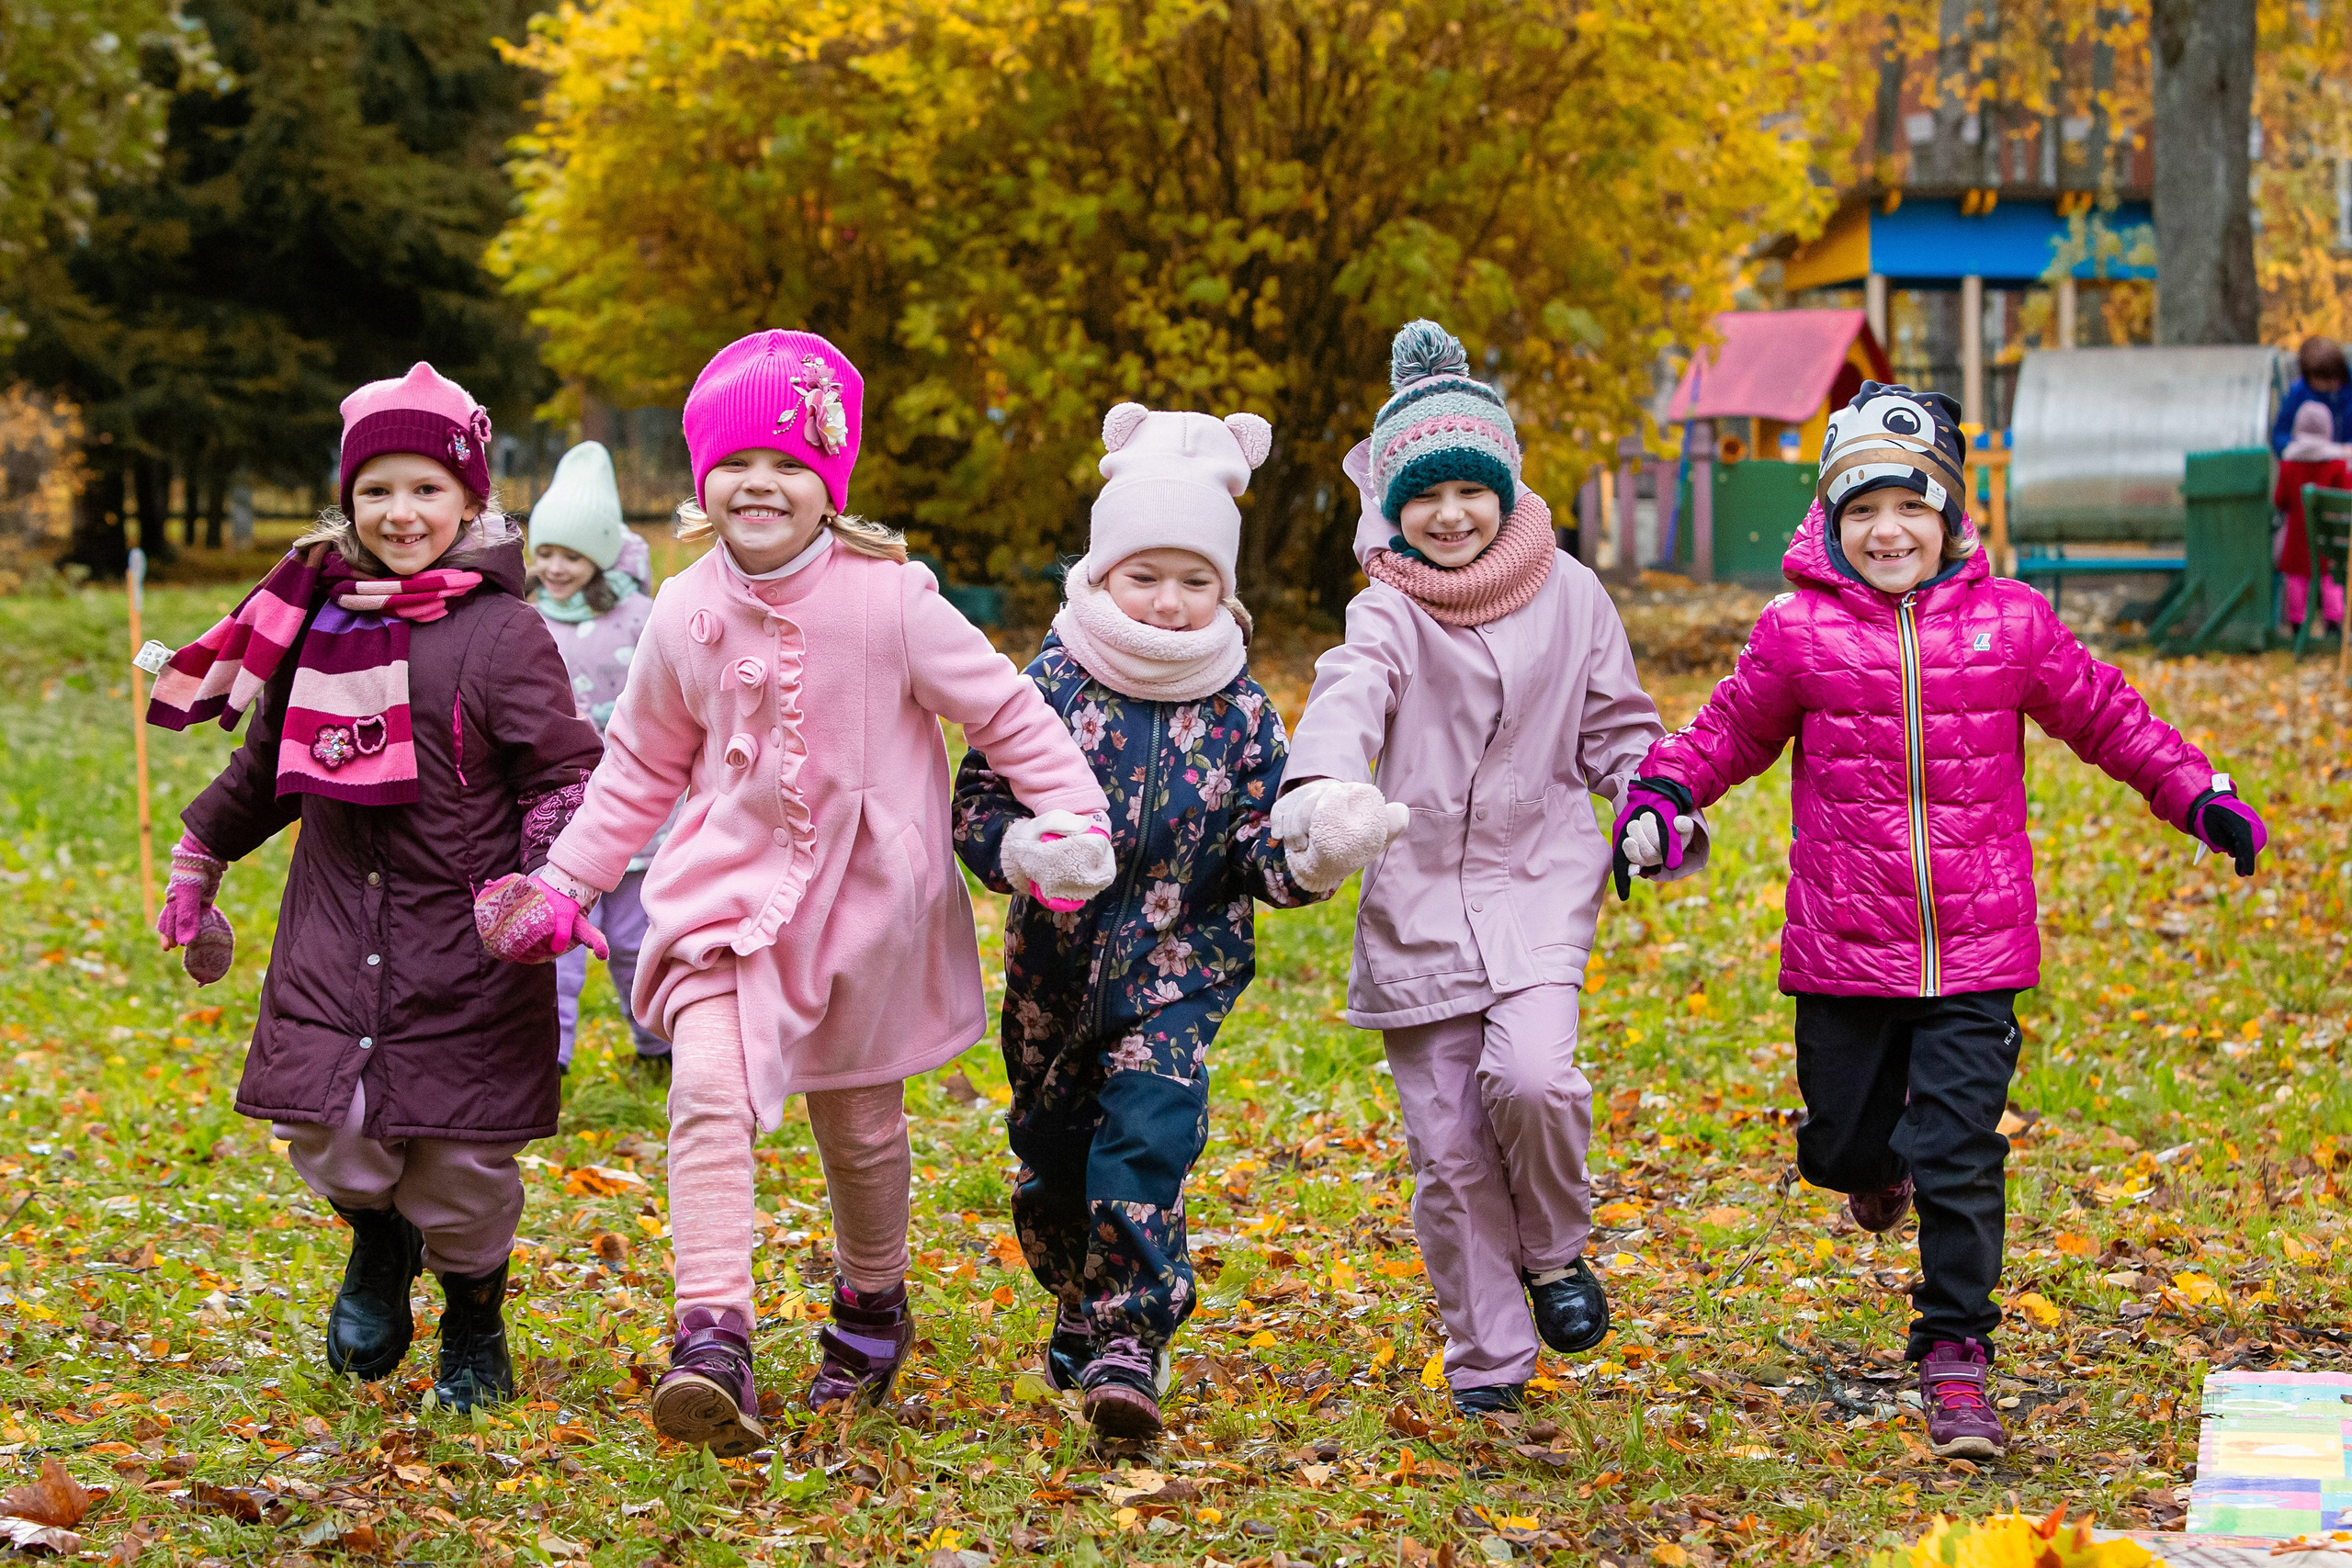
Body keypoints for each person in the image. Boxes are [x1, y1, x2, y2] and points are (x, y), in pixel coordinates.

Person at [480, 330, 1115, 1454]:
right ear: (700, 478)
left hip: (870, 913)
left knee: (861, 1130)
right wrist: (563, 879)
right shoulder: (679, 611)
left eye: (788, 463)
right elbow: (637, 769)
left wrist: (1071, 819)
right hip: (724, 899)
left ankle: (873, 1308)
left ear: (829, 482)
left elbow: (1007, 714)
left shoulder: (893, 600)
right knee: (708, 1094)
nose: (758, 483)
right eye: (734, 462)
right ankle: (711, 1338)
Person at [1617, 381, 2267, 1460]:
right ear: (1830, 522)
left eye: (1911, 506)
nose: (1888, 530)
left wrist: (2195, 794)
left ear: (1951, 516)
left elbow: (2106, 715)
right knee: (1840, 1144)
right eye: (1863, 509)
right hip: (1844, 942)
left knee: (1961, 1149)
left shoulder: (2011, 623)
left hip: (1977, 944)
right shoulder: (1796, 634)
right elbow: (1724, 732)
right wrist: (1664, 792)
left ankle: (1954, 1353)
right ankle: (1876, 1170)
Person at [148, 363, 604, 1412]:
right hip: (333, 928)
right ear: (348, 502)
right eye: (377, 491)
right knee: (328, 1129)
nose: (402, 514)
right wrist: (200, 854)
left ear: (471, 502)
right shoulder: (316, 621)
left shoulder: (504, 633)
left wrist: (548, 877)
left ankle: (475, 1311)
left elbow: (563, 774)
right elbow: (266, 769)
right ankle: (377, 1238)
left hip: (467, 938)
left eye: (427, 490)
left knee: (462, 1165)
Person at [953, 403, 1372, 1439]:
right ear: (1100, 575)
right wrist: (1019, 853)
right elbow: (975, 806)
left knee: (1144, 1141)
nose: (1173, 602)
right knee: (1054, 1157)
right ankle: (1075, 1293)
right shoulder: (1046, 684)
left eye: (1198, 581)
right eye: (1147, 576)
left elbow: (1256, 849)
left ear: (1224, 591)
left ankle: (1131, 1335)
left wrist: (1309, 855)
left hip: (1181, 971)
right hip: (1054, 973)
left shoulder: (1239, 710)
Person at [1278, 321, 1673, 1416]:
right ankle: (1490, 1361)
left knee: (1535, 1081)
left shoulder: (1575, 595)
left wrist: (1650, 801)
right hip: (1418, 904)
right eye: (1422, 496)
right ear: (1391, 508)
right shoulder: (1388, 607)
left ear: (1505, 487)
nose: (1447, 515)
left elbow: (1619, 731)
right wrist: (1321, 792)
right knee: (1448, 1150)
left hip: (1541, 876)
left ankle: (1552, 1252)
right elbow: (1349, 690)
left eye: (1469, 489)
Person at [525, 439, 673, 1071]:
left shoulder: (641, 616)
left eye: (573, 555)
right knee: (556, 939)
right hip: (557, 809)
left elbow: (668, 689)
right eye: (547, 552)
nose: (557, 567)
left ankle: (658, 1047)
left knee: (637, 940)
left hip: (635, 805)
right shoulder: (524, 619)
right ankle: (546, 1056)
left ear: (603, 553)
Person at [2272, 400, 2349, 636]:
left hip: (2297, 539)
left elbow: (2280, 500)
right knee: (2330, 577)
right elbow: (2347, 496)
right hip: (2329, 540)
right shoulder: (2336, 465)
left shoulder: (2288, 465)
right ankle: (2334, 620)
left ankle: (2297, 621)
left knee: (2295, 578)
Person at [2269, 335, 2350, 456]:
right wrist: (2302, 450)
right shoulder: (2299, 393)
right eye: (2325, 380)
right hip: (2312, 466)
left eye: (2336, 377)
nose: (2333, 384)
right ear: (2309, 377)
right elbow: (2280, 436)